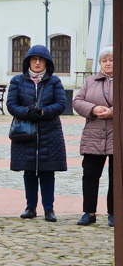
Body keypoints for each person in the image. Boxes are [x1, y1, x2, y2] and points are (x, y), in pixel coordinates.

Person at [6, 45, 67, 222]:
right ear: (28, 62)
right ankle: (30, 207)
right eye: (34, 59)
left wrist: (43, 112)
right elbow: (11, 104)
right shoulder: (17, 81)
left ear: (47, 62)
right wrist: (26, 112)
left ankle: (49, 208)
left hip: (50, 132)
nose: (38, 63)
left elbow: (61, 103)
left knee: (47, 171)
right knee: (29, 170)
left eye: (41, 60)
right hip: (26, 132)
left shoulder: (54, 81)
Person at [73, 45, 114, 227]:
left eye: (111, 60)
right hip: (93, 134)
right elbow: (77, 101)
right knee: (90, 175)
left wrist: (113, 111)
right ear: (100, 63)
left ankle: (114, 212)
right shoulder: (90, 81)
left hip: (115, 135)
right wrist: (93, 109)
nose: (108, 63)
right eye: (104, 60)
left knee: (116, 177)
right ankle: (88, 212)